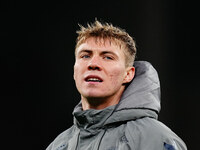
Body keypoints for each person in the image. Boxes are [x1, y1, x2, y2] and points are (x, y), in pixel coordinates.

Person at [46, 20, 187, 150]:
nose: (93, 64)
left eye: (108, 57)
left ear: (128, 74)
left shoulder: (158, 140)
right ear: (74, 71)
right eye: (85, 56)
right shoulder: (58, 145)